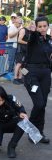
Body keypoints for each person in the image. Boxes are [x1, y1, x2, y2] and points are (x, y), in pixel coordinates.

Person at [23, 16, 52, 144]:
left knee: (43, 105)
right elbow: (31, 37)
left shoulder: (49, 40)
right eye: (40, 26)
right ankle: (30, 130)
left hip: (45, 74)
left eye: (44, 26)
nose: (42, 29)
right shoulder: (33, 38)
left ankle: (39, 133)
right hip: (31, 74)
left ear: (48, 27)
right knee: (39, 103)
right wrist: (33, 31)